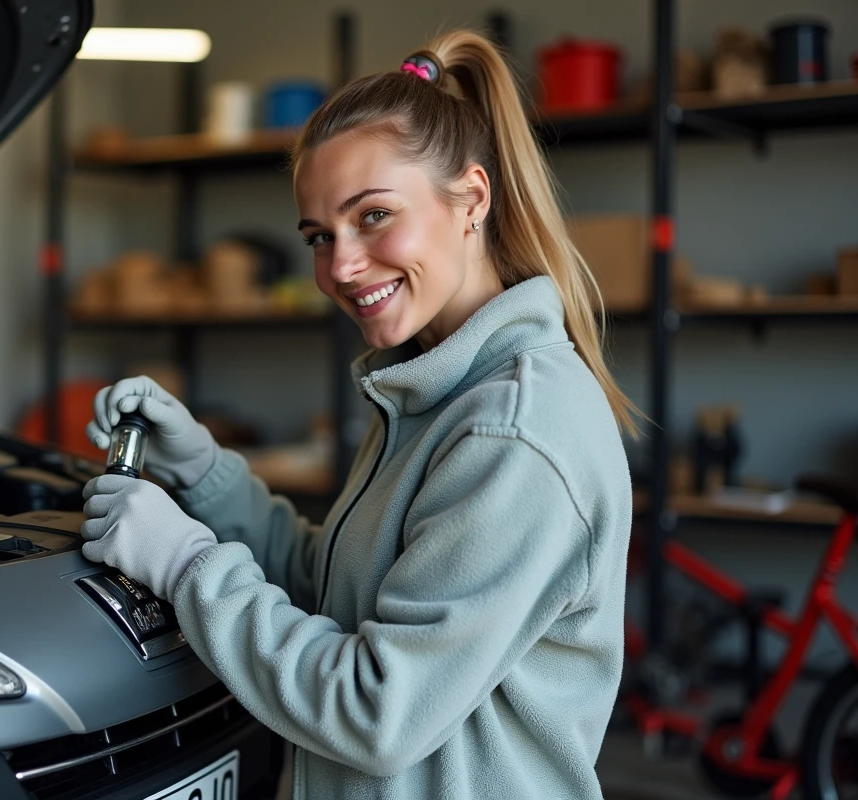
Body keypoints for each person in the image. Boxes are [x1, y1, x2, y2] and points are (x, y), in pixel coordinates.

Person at [79, 28, 636, 800]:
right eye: (319, 236)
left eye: (373, 216)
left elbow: (379, 709)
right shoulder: (430, 387)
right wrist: (202, 472)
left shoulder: (512, 431)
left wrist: (182, 565)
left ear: (471, 199)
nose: (339, 267)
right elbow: (334, 588)